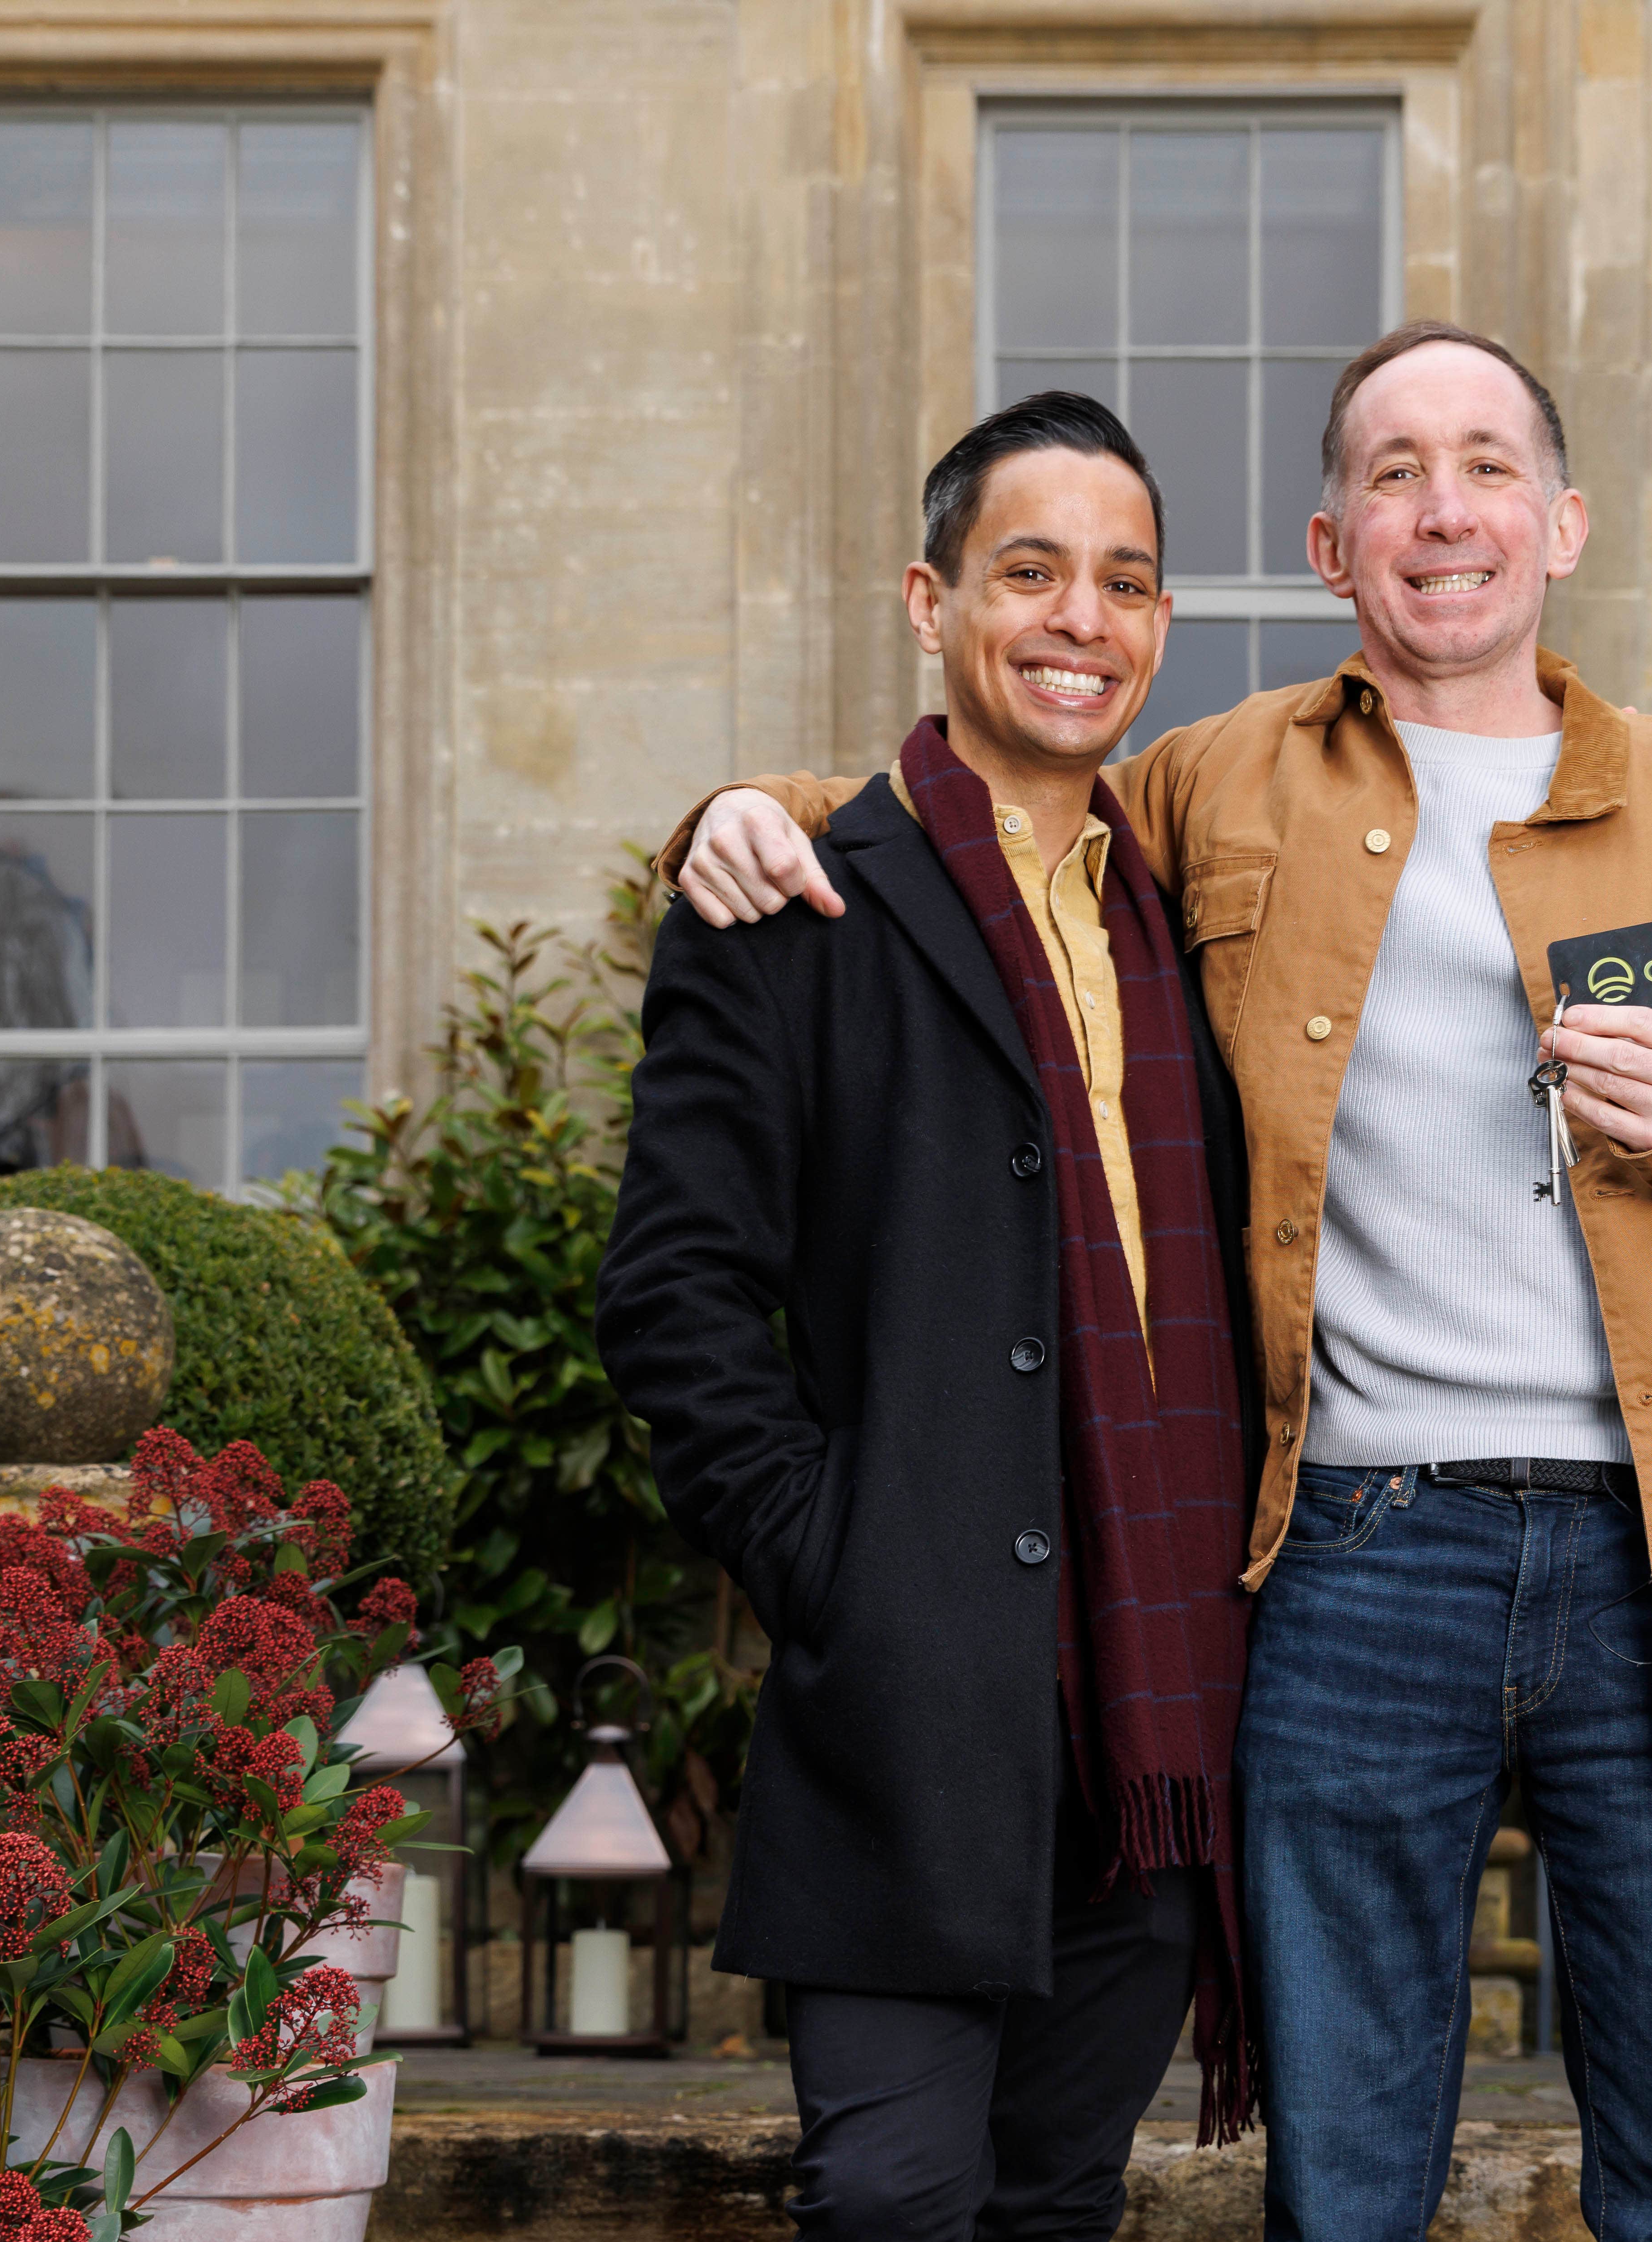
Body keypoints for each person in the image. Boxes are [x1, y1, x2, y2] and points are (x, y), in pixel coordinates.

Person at [662, 323, 1652, 2242]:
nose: (1442, 508)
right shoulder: (1220, 786)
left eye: (1482, 465)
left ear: (1564, 520)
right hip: (1359, 1561)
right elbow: (982, 805)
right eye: (1391, 472)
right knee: (1344, 2191)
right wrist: (744, 807)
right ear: (1328, 541)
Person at [595, 391, 1259, 2241]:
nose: (1079, 618)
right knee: (890, 2196)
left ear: (1163, 625)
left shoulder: (1191, 906)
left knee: (1057, 2202)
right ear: (929, 596)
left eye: (1123, 582)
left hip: (1162, 1696)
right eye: (1028, 570)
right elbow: (676, 1298)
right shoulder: (797, 905)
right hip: (915, 1700)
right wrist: (844, 1566)